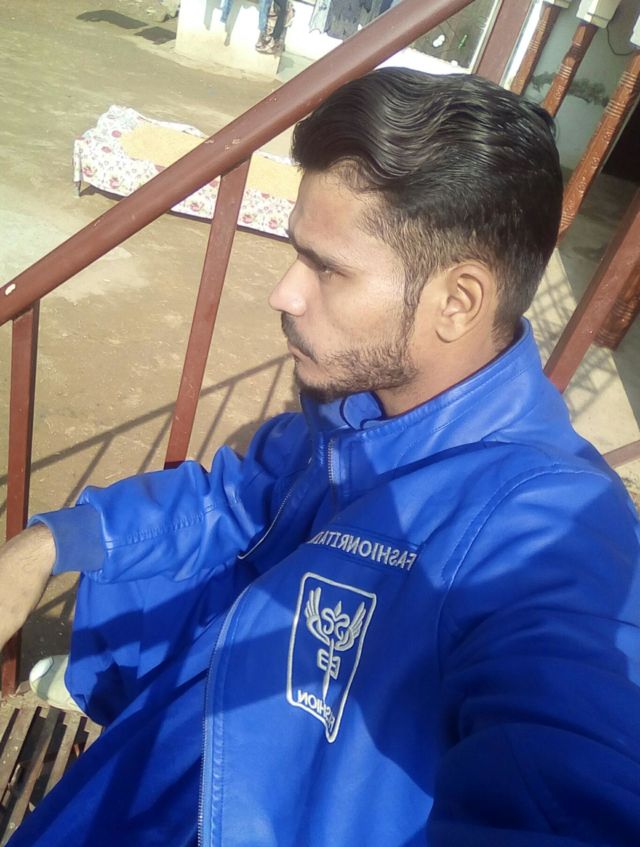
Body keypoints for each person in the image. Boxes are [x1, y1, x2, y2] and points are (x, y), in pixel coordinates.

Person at [1, 69, 639, 846]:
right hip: (139, 778)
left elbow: (576, 788)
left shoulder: (550, 526)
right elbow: (229, 502)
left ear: (459, 301)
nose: (285, 292)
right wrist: (51, 542)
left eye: (327, 267)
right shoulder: (350, 419)